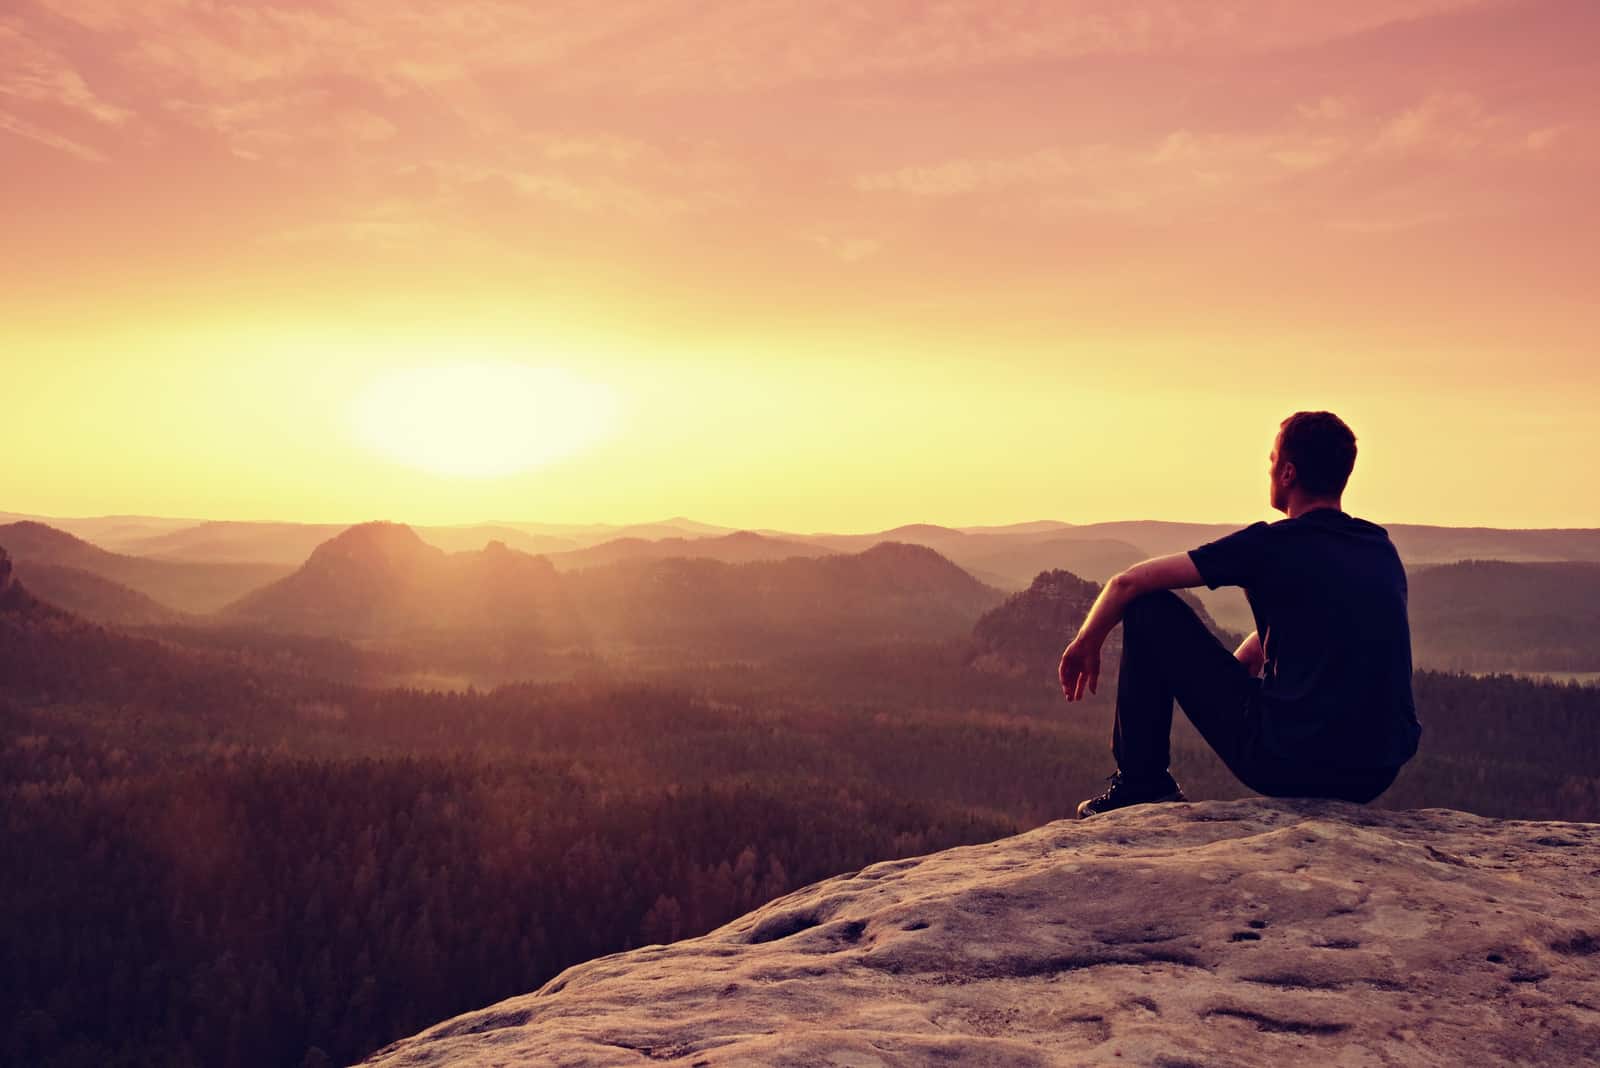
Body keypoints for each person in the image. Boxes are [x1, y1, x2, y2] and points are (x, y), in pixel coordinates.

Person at [1058, 411, 1420, 817]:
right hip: (1375, 769)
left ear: (1287, 473)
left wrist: (1085, 643)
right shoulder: (1378, 546)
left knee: (1148, 609)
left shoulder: (1269, 544)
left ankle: (1143, 784)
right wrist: (1240, 665)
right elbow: (1324, 625)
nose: (1268, 470)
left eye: (1270, 461)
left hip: (1289, 762)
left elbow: (1129, 583)